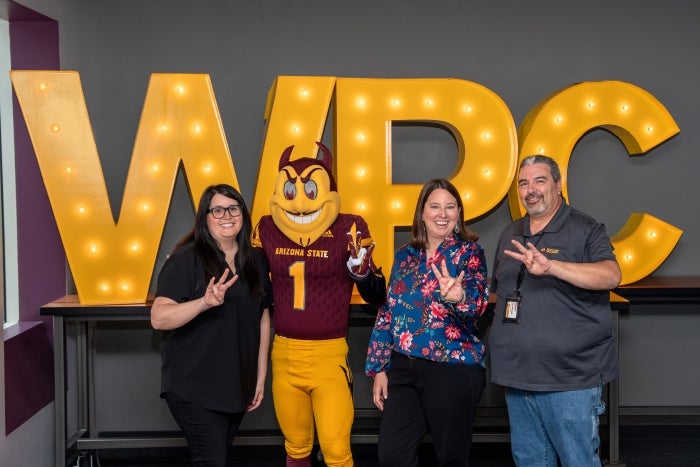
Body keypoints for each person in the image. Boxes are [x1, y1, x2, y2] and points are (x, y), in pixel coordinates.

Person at [253, 142, 386, 467]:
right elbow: (252, 285)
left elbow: (377, 295)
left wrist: (362, 273)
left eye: (310, 188)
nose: (299, 200)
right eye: (290, 188)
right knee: (296, 447)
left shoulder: (348, 227)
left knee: (336, 451)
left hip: (328, 356)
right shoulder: (267, 227)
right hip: (284, 354)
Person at [489, 155, 621, 467]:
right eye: (523, 183)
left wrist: (552, 268)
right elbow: (502, 291)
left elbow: (611, 275)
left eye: (539, 180)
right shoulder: (510, 232)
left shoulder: (585, 228)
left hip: (569, 378)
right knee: (530, 461)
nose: (530, 189)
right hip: (518, 375)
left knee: (578, 460)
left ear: (558, 186)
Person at [365, 178, 489, 467]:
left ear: (459, 213)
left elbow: (479, 304)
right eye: (434, 206)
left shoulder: (470, 253)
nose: (442, 214)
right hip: (404, 369)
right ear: (422, 212)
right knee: (392, 457)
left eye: (450, 207)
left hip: (453, 370)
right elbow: (388, 311)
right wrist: (380, 368)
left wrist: (458, 296)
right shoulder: (406, 255)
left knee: (451, 458)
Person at [151, 184, 272, 467]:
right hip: (194, 387)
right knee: (212, 460)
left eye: (233, 208)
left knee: (214, 458)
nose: (226, 215)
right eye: (217, 210)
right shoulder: (186, 259)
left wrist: (260, 376)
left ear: (242, 213)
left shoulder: (255, 259)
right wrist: (204, 303)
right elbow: (159, 318)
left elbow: (262, 316)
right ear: (205, 217)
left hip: (236, 385)